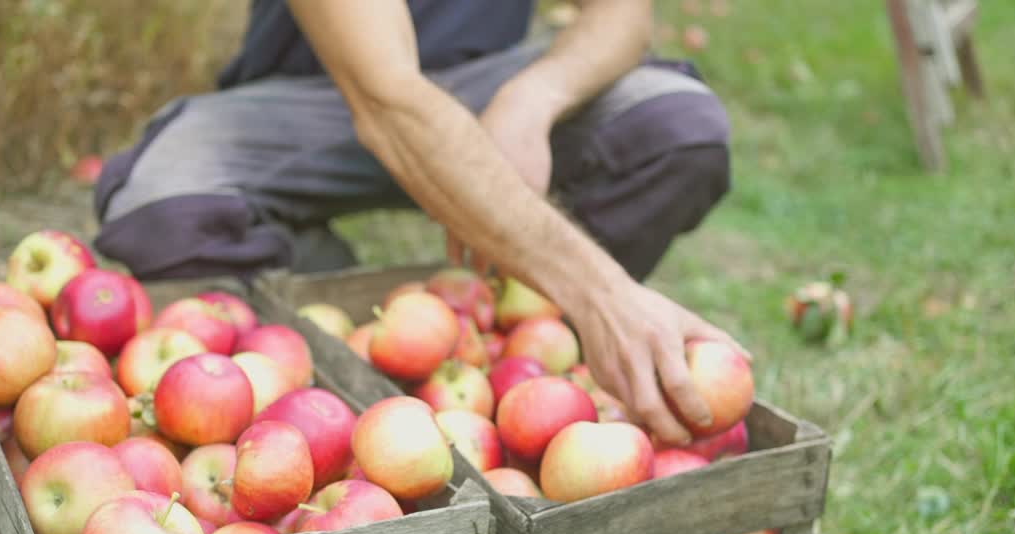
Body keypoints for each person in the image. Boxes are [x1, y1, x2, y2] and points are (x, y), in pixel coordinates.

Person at [92, 0, 748, 447]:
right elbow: (388, 99)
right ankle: (344, 327)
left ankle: (535, 352)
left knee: (676, 129)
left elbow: (624, 15)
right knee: (159, 209)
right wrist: (598, 288)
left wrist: (532, 99)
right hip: (325, 91)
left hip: (489, 79)